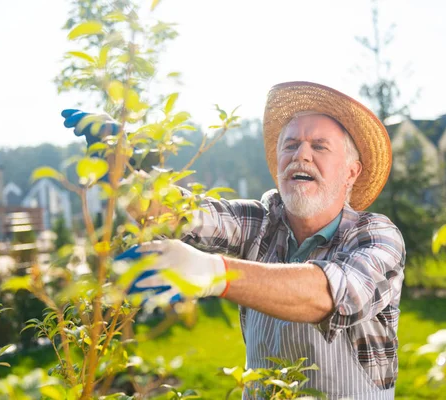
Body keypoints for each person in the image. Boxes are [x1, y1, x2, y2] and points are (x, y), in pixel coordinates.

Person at [63, 81, 405, 400]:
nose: (300, 155)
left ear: (351, 171)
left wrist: (216, 273)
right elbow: (175, 212)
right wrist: (116, 159)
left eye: (319, 146)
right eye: (290, 144)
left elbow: (331, 295)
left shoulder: (376, 237)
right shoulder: (261, 223)